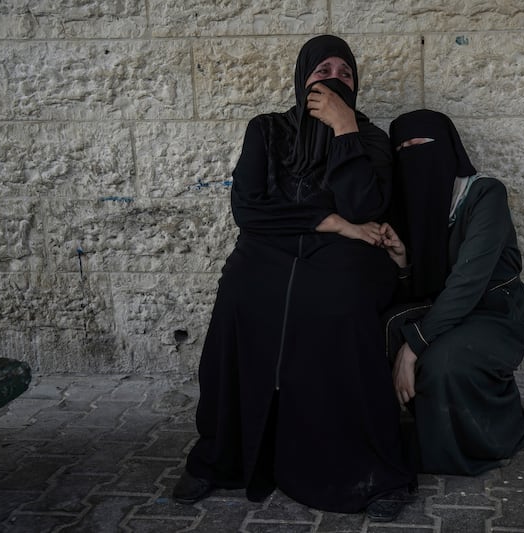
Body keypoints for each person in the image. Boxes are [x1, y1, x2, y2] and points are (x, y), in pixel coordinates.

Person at [173, 35, 414, 521]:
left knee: (338, 299)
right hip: (272, 246)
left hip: (344, 257)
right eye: (323, 70)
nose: (335, 78)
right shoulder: (268, 130)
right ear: (303, 79)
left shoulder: (369, 138)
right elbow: (249, 208)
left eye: (345, 72)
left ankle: (361, 466)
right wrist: (334, 221)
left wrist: (345, 130)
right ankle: (222, 455)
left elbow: (367, 208)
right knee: (242, 290)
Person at [380, 109, 524, 476]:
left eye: (419, 145)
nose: (411, 155)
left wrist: (412, 346)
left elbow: (468, 282)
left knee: (441, 363)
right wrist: (404, 261)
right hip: (448, 311)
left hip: (496, 314)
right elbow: (426, 286)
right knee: (377, 329)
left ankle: (484, 438)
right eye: (402, 148)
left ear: (447, 148)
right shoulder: (421, 202)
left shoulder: (485, 195)